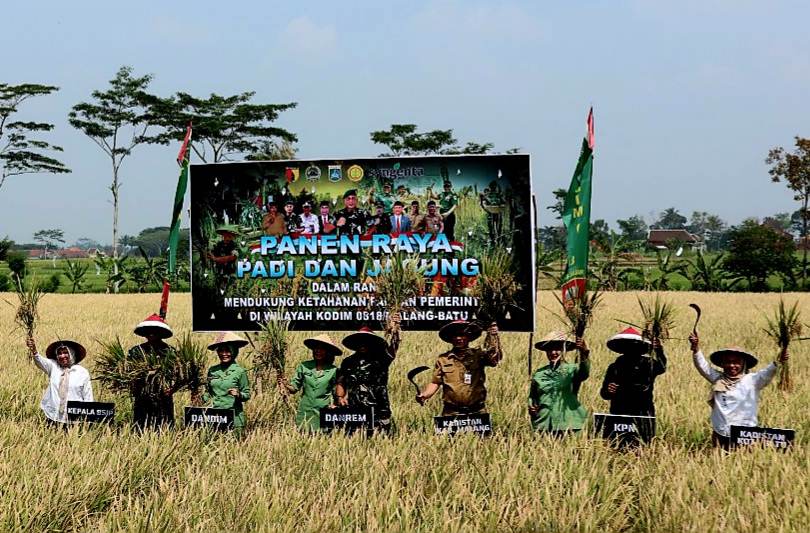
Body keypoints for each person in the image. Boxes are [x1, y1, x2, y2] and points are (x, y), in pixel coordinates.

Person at [689, 332, 787, 449]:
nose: (731, 365)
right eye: (728, 362)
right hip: (720, 432)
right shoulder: (718, 379)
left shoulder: (752, 380)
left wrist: (778, 361)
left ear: (743, 364)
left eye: (736, 362)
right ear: (722, 364)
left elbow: (767, 372)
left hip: (745, 435)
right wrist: (696, 349)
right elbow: (703, 367)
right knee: (719, 464)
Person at [416, 320, 502, 415]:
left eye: (462, 335)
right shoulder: (443, 359)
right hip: (451, 411)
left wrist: (494, 336)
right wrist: (425, 395)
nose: (458, 338)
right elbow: (435, 382)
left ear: (469, 337)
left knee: (482, 430)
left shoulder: (478, 355)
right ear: (450, 338)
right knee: (448, 430)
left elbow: (495, 359)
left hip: (477, 411)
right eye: (455, 336)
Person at [600, 326, 666, 438]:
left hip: (643, 412)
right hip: (619, 411)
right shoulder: (615, 367)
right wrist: (609, 390)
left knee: (641, 446)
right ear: (622, 348)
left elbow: (662, 367)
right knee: (619, 443)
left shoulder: (648, 364)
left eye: (635, 345)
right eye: (627, 345)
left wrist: (658, 349)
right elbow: (604, 394)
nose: (631, 349)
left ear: (641, 347)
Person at [336, 320, 401, 433]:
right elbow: (341, 381)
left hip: (379, 409)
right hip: (355, 410)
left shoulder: (381, 359)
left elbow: (394, 347)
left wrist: (395, 329)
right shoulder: (348, 362)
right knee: (356, 441)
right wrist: (340, 397)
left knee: (380, 440)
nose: (363, 344)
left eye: (366, 341)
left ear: (372, 342)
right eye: (360, 341)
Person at [529, 332, 590, 435]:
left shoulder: (572, 369)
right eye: (550, 349)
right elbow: (533, 395)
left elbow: (584, 373)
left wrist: (583, 353)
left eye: (557, 349)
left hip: (568, 422)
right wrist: (532, 407)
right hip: (544, 423)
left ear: (563, 350)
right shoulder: (539, 373)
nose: (553, 352)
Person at [26, 337, 93, 425]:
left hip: (74, 419)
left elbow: (88, 395)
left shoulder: (82, 372)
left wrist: (89, 418)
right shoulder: (53, 366)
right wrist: (34, 350)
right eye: (59, 353)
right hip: (53, 416)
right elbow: (39, 361)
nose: (62, 356)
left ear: (72, 353)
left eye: (65, 353)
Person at [284, 334, 342, 432]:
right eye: (316, 348)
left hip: (323, 410)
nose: (318, 351)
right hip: (305, 411)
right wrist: (284, 384)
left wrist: (335, 405)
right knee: (302, 435)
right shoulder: (304, 366)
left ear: (328, 352)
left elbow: (336, 392)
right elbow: (294, 388)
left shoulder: (333, 370)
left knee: (322, 438)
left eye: (322, 349)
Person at [129, 314, 176, 430]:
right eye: (148, 331)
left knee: (164, 429)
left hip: (164, 397)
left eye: (155, 331)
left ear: (161, 332)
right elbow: (129, 373)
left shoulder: (170, 352)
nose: (151, 333)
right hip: (142, 397)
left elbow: (181, 374)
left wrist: (173, 389)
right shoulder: (136, 351)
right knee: (140, 429)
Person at [203, 332, 251, 433]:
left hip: (234, 417)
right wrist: (199, 399)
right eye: (221, 350)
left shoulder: (239, 371)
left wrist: (238, 394)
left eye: (228, 350)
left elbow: (247, 394)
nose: (224, 354)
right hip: (215, 417)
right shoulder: (212, 370)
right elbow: (208, 392)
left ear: (234, 352)